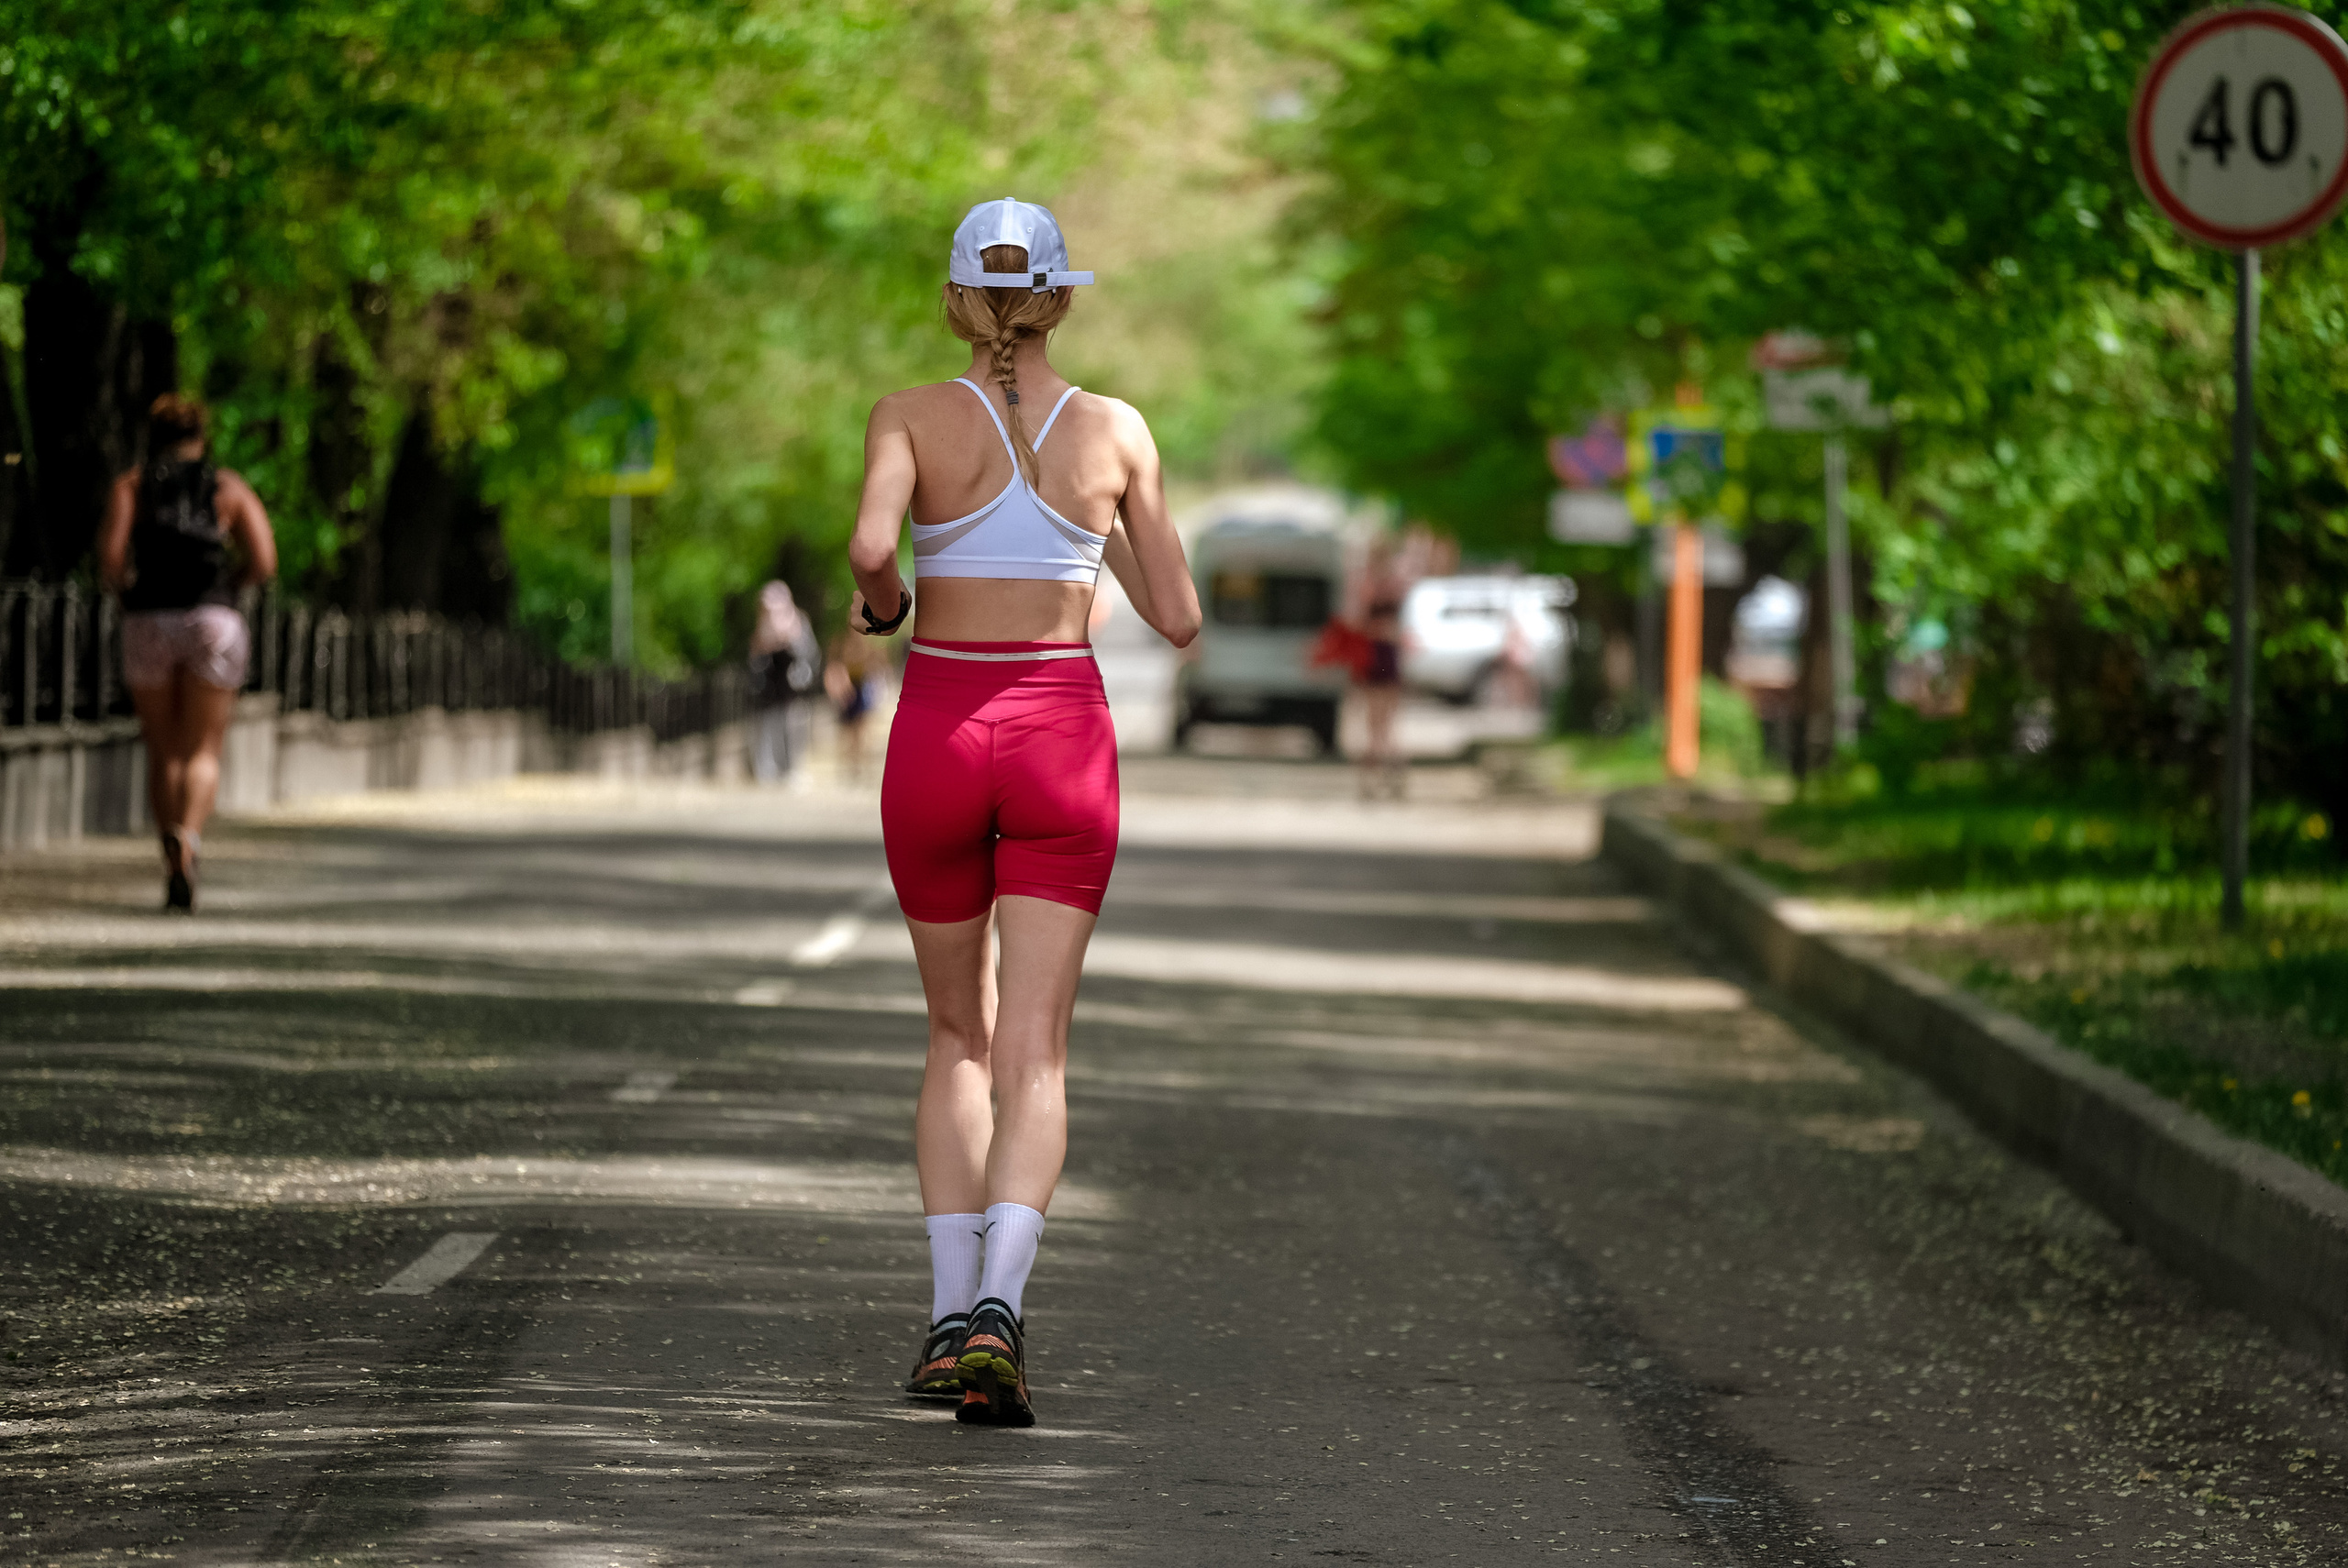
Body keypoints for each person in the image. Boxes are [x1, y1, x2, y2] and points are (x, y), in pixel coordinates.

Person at [845, 197, 1200, 1427]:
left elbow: (870, 544)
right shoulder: (1116, 431)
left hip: (940, 732)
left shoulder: (909, 416)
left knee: (960, 1037)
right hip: (1060, 737)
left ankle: (947, 1322)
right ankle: (1003, 1307)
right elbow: (1181, 617)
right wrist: (1081, 551)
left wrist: (887, 602)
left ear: (955, 300)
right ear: (1060, 300)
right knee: (1039, 1048)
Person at [94, 394, 277, 913]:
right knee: (204, 747)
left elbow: (110, 560)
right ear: (202, 437)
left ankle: (167, 847)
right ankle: (189, 840)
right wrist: (231, 588)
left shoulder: (130, 486)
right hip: (212, 620)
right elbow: (264, 560)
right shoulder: (227, 488)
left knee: (164, 747)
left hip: (150, 619)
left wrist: (130, 594)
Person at [747, 580, 820, 786]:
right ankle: (767, 770)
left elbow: (810, 654)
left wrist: (789, 640)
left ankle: (792, 769)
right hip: (769, 688)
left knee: (793, 725)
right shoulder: (761, 627)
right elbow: (754, 661)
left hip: (792, 687)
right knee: (768, 725)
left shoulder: (798, 622)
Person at [1356, 540, 1410, 800]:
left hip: (1379, 655)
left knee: (1377, 721)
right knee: (1382, 721)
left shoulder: (1372, 587)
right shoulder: (1394, 586)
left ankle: (1376, 776)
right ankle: (1388, 772)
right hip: (1384, 655)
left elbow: (1364, 623)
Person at [823, 629, 883, 784]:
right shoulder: (843, 644)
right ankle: (850, 766)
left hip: (860, 687)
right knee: (848, 731)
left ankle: (861, 766)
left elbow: (873, 665)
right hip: (848, 689)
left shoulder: (865, 645)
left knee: (861, 730)